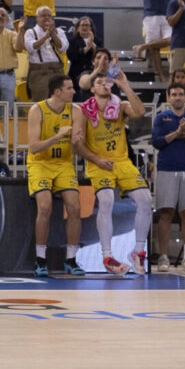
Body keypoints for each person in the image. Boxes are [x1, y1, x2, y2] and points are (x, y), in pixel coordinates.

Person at [73, 70, 151, 276]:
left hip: (122, 161)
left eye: (107, 83)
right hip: (98, 162)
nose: (104, 85)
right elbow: (78, 146)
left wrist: (125, 85)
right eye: (99, 83)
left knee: (145, 200)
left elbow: (141, 111)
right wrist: (98, 159)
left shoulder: (120, 106)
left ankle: (138, 251)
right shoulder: (84, 111)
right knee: (106, 200)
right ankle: (107, 256)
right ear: (92, 89)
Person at [25, 75, 84, 276]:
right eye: (69, 88)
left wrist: (76, 141)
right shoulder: (37, 110)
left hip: (63, 164)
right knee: (44, 206)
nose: (74, 91)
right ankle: (40, 259)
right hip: (40, 162)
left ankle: (71, 259)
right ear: (57, 92)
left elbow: (76, 148)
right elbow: (33, 147)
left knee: (75, 207)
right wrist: (58, 136)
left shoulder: (76, 111)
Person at [152, 82, 185, 272]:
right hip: (166, 169)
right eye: (174, 94)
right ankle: (163, 258)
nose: (178, 97)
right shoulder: (161, 118)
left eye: (181, 94)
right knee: (165, 214)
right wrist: (177, 133)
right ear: (168, 97)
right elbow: (157, 142)